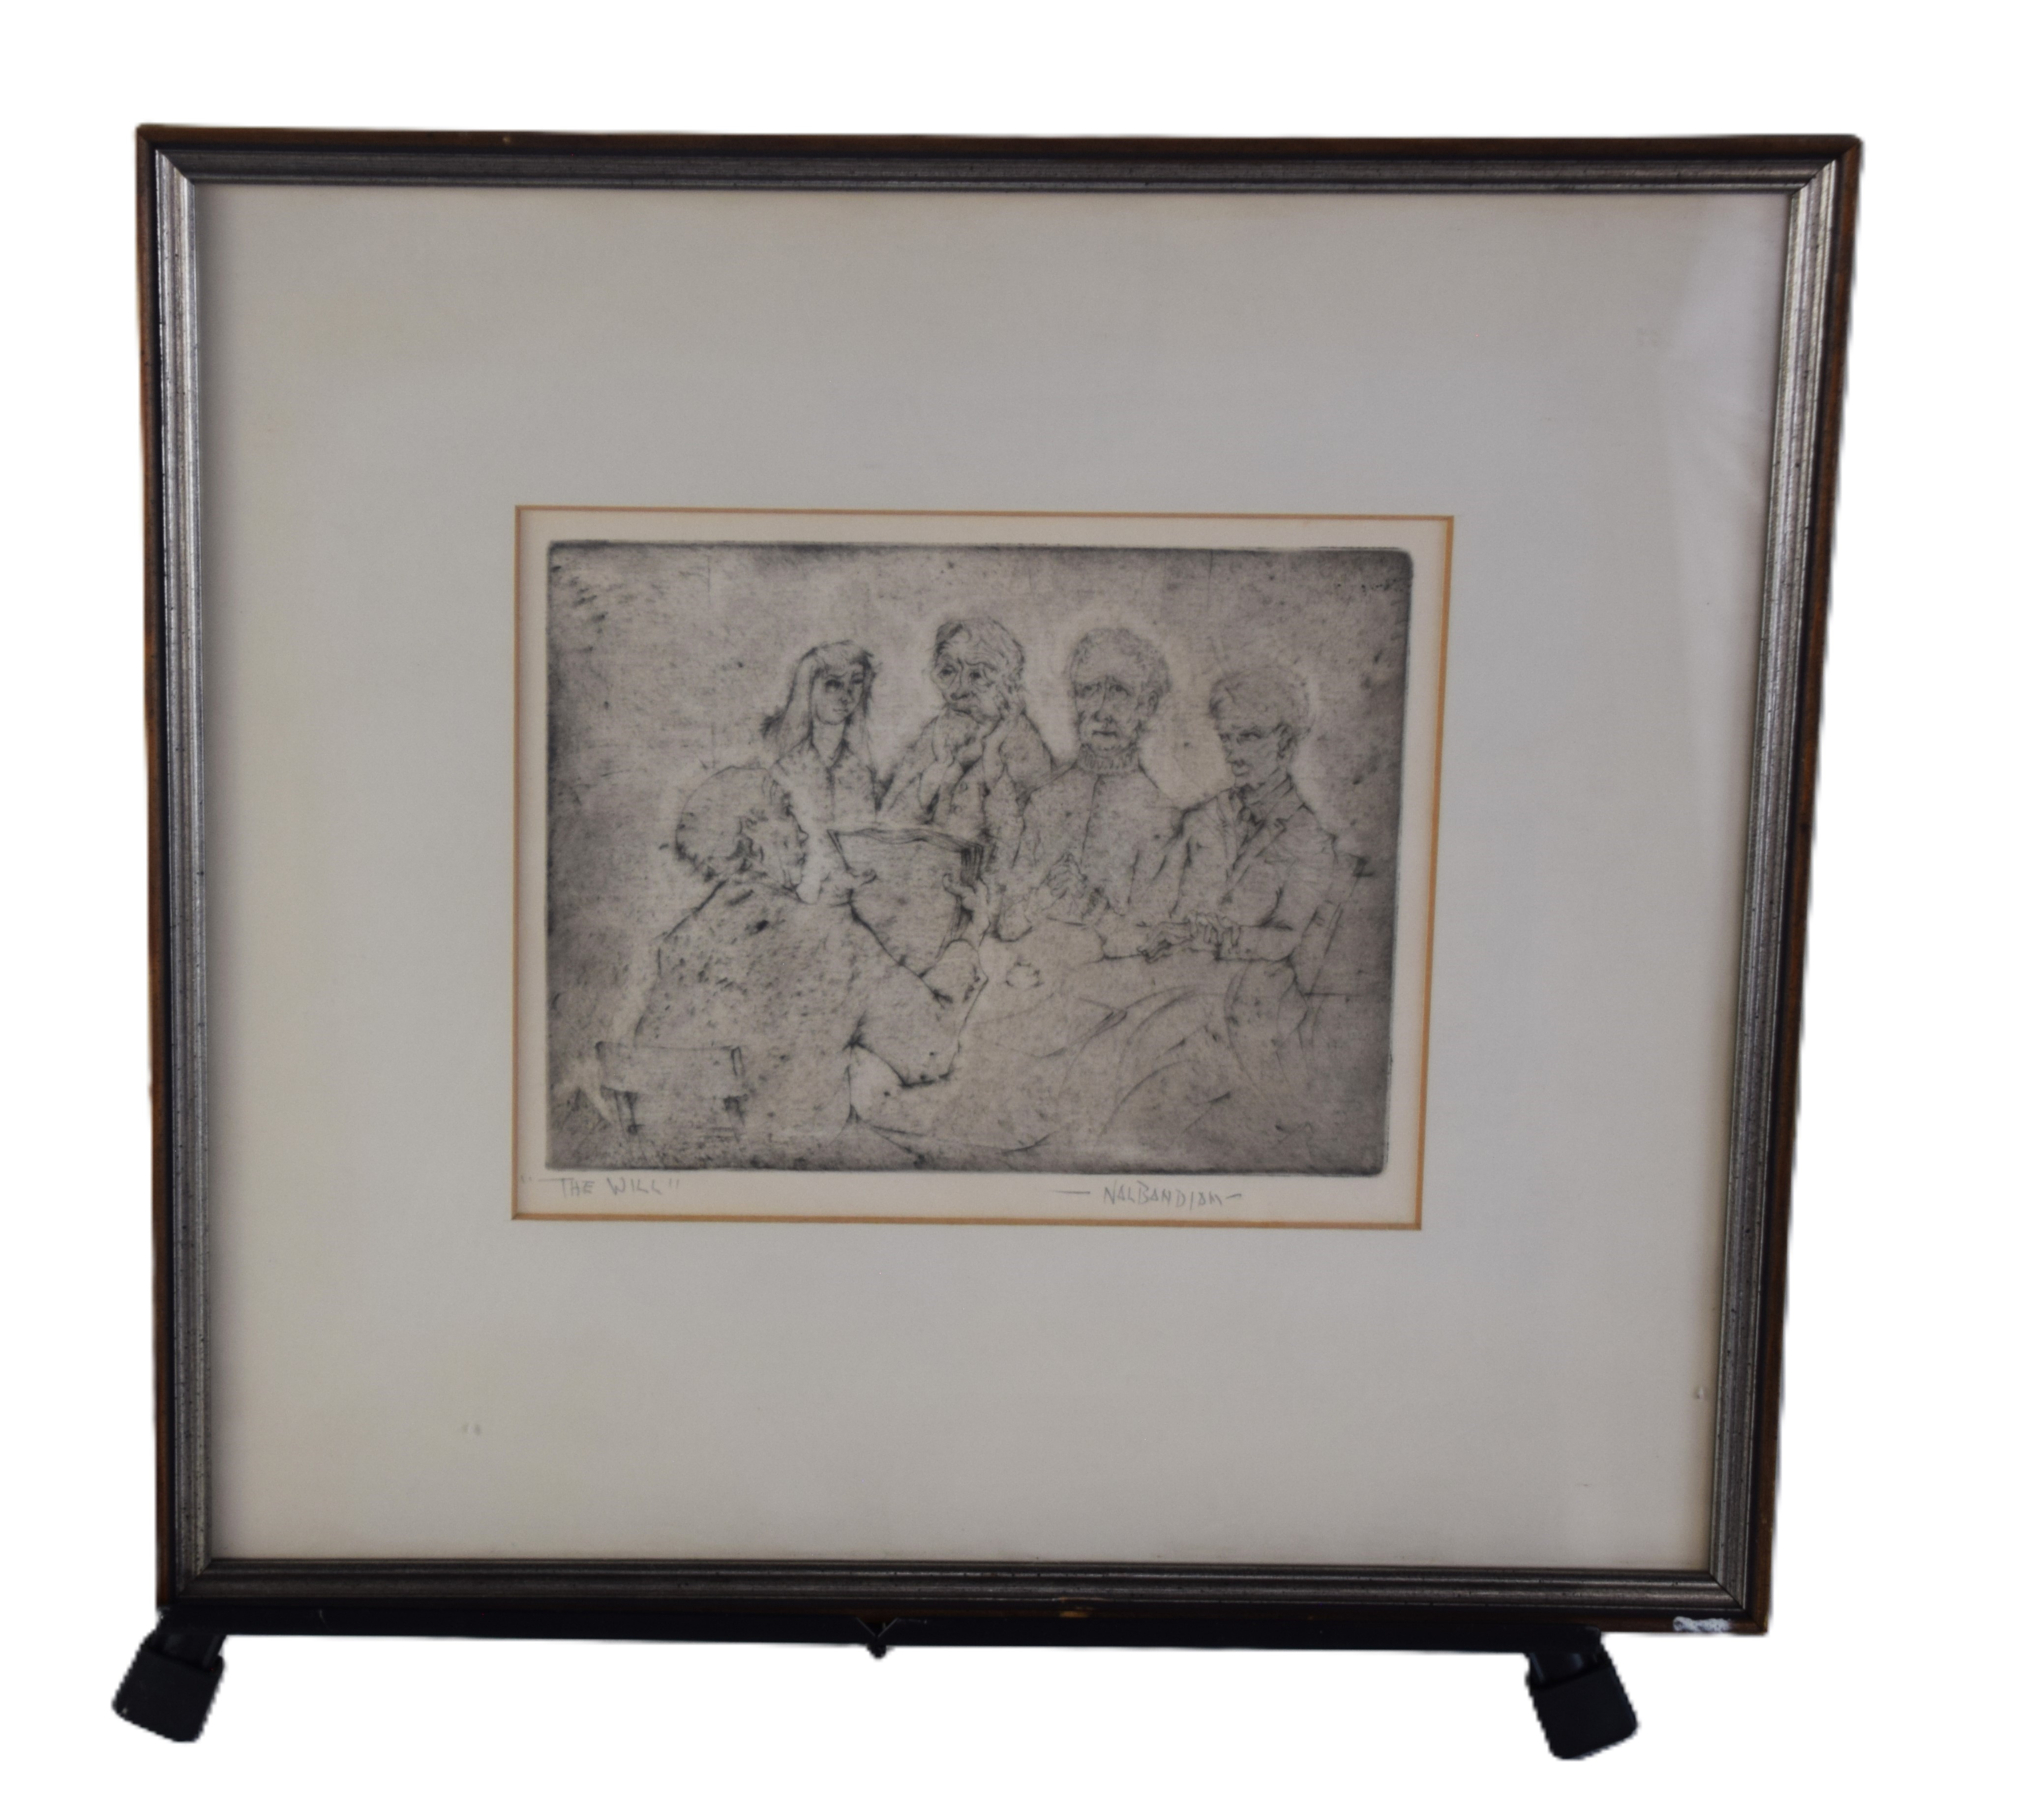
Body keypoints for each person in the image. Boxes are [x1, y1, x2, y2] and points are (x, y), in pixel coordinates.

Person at [614, 766, 989, 1165]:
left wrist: (828, 912)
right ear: (754, 835)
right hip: (795, 1167)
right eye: (787, 813)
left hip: (692, 1166)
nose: (804, 835)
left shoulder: (679, 944)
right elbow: (930, 1054)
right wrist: (969, 938)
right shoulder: (836, 939)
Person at [1000, 627, 1180, 956]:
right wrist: (1044, 896)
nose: (1102, 710)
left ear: (1148, 705)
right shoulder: (1045, 799)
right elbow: (1006, 922)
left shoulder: (1161, 815)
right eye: (1089, 691)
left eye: (1119, 692)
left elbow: (1150, 945)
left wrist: (1092, 907)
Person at [1145, 665, 1339, 964]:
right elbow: (1155, 902)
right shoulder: (1202, 817)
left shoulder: (1309, 837)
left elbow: (1286, 938)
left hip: (1249, 983)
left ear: (1286, 743)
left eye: (1249, 737)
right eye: (1227, 739)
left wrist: (1223, 938)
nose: (1233, 755)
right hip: (1173, 969)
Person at [879, 618, 1054, 866]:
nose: (957, 690)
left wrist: (991, 753)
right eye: (949, 672)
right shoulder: (937, 731)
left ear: (1005, 682)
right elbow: (888, 825)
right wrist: (937, 773)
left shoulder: (1022, 741)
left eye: (976, 675)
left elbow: (1032, 843)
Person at [761, 640, 880, 902]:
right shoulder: (785, 770)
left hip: (853, 899)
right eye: (833, 684)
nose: (846, 696)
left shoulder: (860, 772)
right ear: (809, 689)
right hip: (796, 899)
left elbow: (867, 849)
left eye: (856, 682)